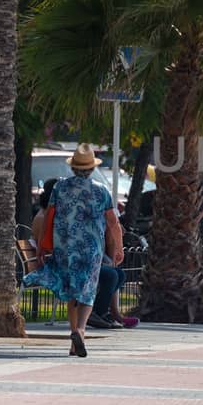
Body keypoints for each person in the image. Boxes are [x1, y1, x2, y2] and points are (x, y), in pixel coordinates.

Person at [22, 145, 124, 357]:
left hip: (65, 247)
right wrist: (119, 247)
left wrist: (42, 245)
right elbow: (113, 222)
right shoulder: (100, 190)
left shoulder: (60, 188)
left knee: (71, 291)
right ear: (91, 168)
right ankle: (81, 331)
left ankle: (73, 338)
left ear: (74, 168)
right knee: (87, 291)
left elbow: (49, 216)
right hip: (92, 249)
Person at [31, 179, 135, 330]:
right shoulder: (46, 217)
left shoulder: (55, 213)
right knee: (108, 275)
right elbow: (55, 242)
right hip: (62, 262)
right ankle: (89, 320)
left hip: (70, 259)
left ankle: (98, 315)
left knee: (116, 274)